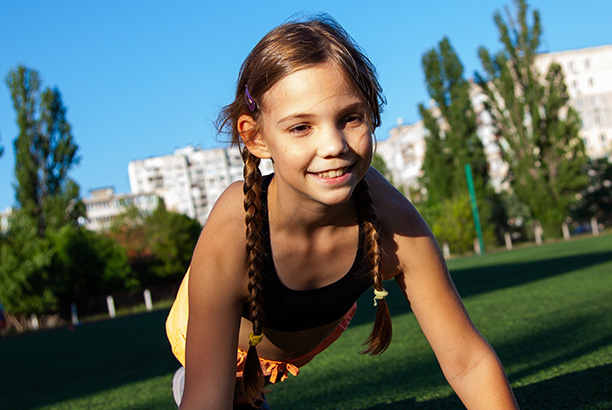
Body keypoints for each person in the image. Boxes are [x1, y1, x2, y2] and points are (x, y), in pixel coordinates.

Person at [166, 14, 520, 410]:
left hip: (307, 334)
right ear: (256, 137)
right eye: (301, 127)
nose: (333, 145)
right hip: (221, 337)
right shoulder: (235, 228)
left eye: (350, 118)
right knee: (223, 392)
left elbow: (468, 362)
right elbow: (204, 403)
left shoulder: (390, 221)